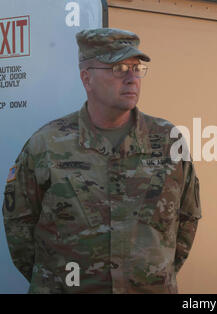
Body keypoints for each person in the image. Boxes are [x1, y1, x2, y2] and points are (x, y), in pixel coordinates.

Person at [2, 28, 202, 293]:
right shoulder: (48, 145)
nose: (132, 79)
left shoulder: (167, 142)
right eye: (119, 68)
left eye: (136, 68)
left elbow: (187, 221)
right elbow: (19, 226)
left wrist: (148, 276)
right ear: (87, 78)